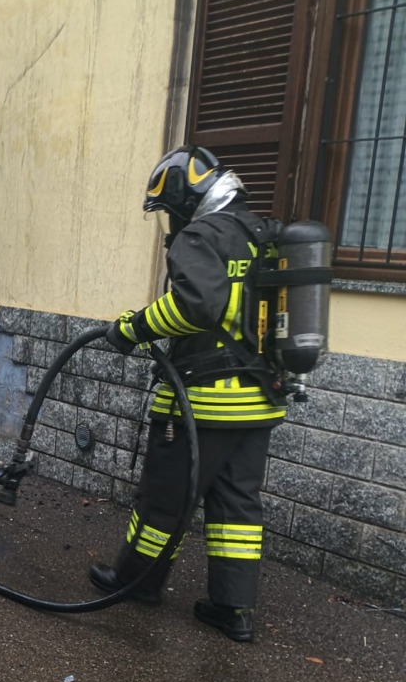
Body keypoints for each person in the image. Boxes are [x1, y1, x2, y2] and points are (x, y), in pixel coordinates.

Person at [90, 144, 285, 643]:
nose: (171, 224)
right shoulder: (261, 234)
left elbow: (196, 307)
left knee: (164, 501)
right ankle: (233, 609)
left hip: (203, 401)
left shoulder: (200, 236)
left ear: (185, 199)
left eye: (169, 212)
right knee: (237, 507)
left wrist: (133, 328)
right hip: (258, 402)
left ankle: (136, 582)